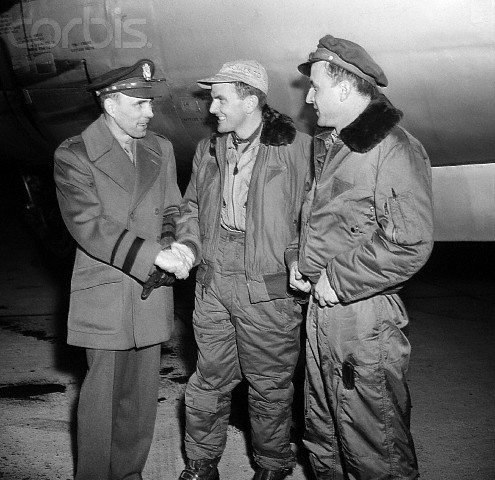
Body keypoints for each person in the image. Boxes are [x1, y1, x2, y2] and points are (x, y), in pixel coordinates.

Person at [289, 35, 434, 480]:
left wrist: (338, 278)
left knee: (374, 443)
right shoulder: (333, 146)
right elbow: (318, 219)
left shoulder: (391, 149)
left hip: (363, 317)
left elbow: (409, 242)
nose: (308, 98)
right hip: (322, 308)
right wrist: (301, 260)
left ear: (346, 88)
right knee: (323, 430)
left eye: (316, 87)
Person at [173, 60, 312, 480]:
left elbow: (312, 218)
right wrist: (189, 246)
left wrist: (298, 260)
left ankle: (271, 466)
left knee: (269, 387)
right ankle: (201, 463)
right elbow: (192, 207)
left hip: (267, 285)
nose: (211, 108)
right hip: (214, 280)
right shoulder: (208, 149)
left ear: (250, 100)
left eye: (220, 98)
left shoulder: (297, 150)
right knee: (207, 381)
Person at [54, 59, 189, 480]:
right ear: (110, 105)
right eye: (139, 104)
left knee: (140, 402)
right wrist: (153, 255)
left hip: (151, 292)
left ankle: (130, 474)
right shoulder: (74, 154)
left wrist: (181, 244)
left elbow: (173, 207)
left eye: (151, 104)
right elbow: (89, 225)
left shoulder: (160, 148)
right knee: (101, 402)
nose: (150, 113)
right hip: (108, 293)